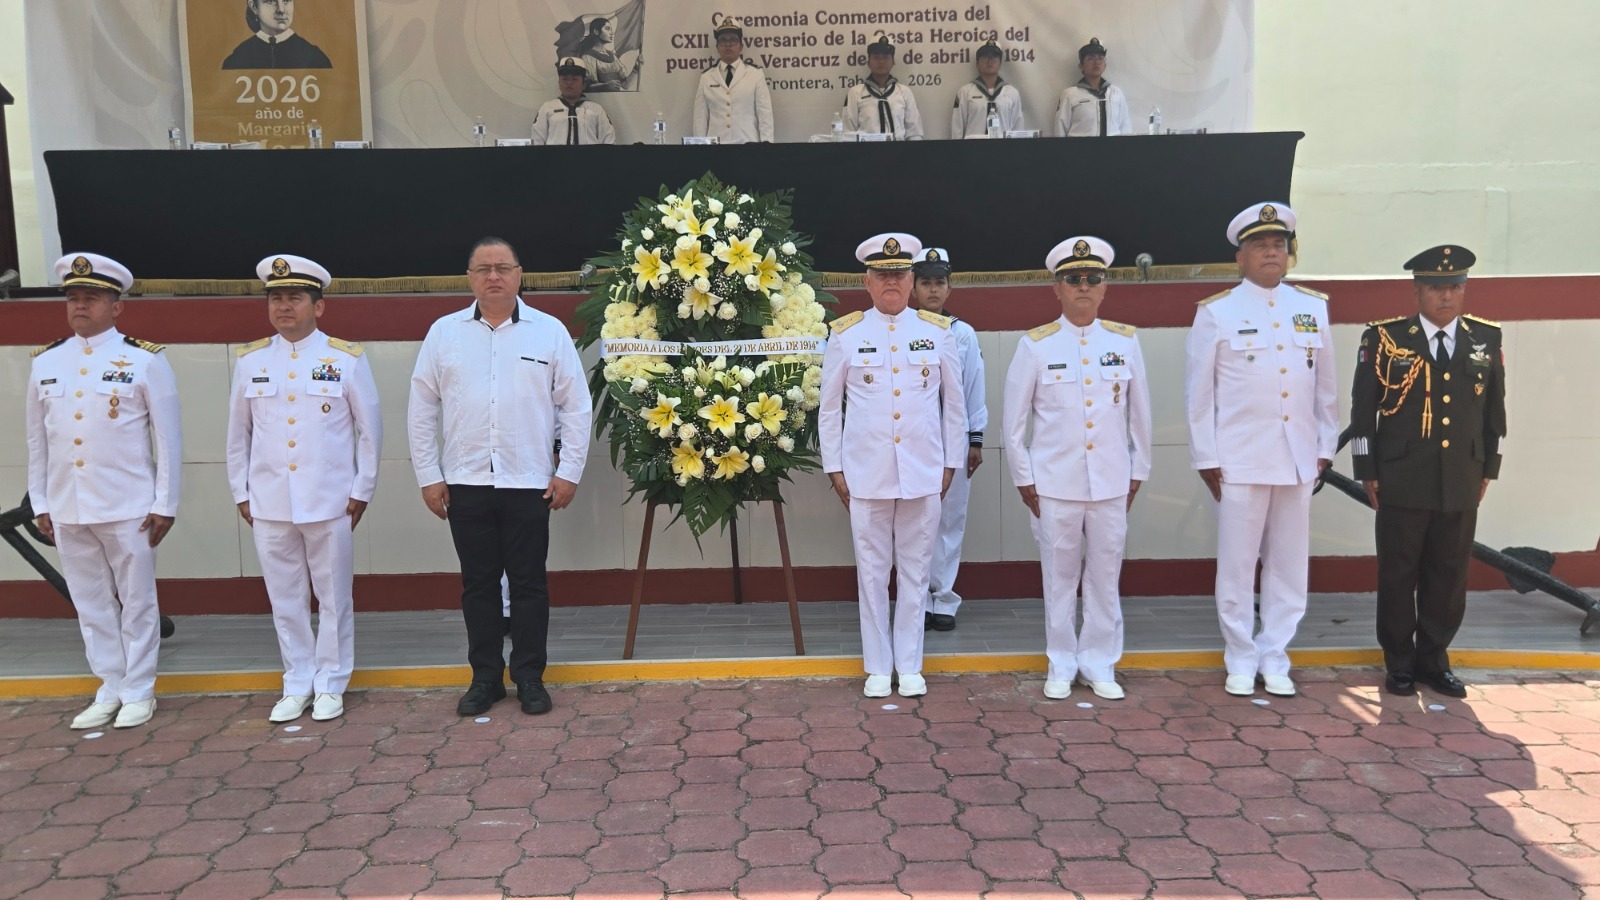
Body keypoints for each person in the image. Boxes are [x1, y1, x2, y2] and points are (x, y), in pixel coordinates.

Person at [407, 237, 592, 716]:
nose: (493, 276)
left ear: (519, 274)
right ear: (469, 278)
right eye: (483, 268)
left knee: (529, 584)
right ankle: (485, 678)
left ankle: (529, 677)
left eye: (503, 267)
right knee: (478, 585)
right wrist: (429, 475)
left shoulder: (548, 332)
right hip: (465, 481)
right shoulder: (444, 333)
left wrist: (569, 471)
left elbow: (575, 406)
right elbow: (422, 408)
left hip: (528, 481)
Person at [1186, 202, 1338, 698]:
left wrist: (1325, 445)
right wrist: (1207, 457)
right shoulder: (1217, 312)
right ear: (1241, 257)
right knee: (1237, 564)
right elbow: (1199, 395)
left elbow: (1325, 387)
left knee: (1289, 564)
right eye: (1260, 246)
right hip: (1240, 458)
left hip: (1298, 457)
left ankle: (1275, 655)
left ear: (1289, 253)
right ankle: (1239, 655)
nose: (1271, 252)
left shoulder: (1312, 308)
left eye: (1278, 245)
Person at [26, 253, 182, 730]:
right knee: (90, 603)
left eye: (91, 298)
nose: (80, 305)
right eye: (73, 298)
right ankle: (109, 685)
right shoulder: (47, 361)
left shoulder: (144, 359)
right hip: (68, 503)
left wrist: (165, 503)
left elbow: (168, 440)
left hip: (128, 503)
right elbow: (37, 440)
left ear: (117, 306)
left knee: (137, 602)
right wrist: (41, 501)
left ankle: (139, 689)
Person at [227, 255, 381, 723]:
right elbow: (238, 434)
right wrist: (241, 492)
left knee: (334, 597)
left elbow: (369, 431)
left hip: (329, 499)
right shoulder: (251, 360)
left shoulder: (345, 358)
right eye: (276, 298)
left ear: (319, 306)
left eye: (294, 297)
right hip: (269, 500)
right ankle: (296, 681)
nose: (283, 306)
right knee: (285, 600)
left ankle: (331, 681)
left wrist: (362, 489)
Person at [1350, 245, 1505, 699]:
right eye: (1436, 287)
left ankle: (1434, 661)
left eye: (1454, 286)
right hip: (1401, 475)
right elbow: (1363, 411)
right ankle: (1399, 663)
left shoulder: (1485, 338)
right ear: (1417, 291)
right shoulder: (1384, 338)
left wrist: (1489, 467)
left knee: (1449, 574)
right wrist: (1366, 468)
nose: (1446, 296)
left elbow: (1494, 412)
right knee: (1399, 574)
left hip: (1461, 475)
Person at [820, 233, 966, 698]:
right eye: (881, 274)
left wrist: (951, 463)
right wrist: (834, 467)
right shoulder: (846, 334)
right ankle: (879, 667)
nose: (891, 282)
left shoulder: (937, 332)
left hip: (924, 471)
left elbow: (955, 406)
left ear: (911, 280)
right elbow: (829, 408)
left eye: (900, 274)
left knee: (917, 573)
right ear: (867, 281)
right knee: (871, 573)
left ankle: (911, 664)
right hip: (866, 473)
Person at [1005, 237, 1151, 701]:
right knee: (1059, 578)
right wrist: (1024, 477)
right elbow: (1014, 423)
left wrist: (1137, 471)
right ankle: (1061, 662)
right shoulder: (1035, 345)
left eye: (1092, 278)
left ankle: (1099, 662)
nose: (1083, 286)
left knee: (1105, 577)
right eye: (1073, 279)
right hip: (1054, 483)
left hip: (1111, 480)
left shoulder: (1124, 342)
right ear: (1058, 288)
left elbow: (1140, 415)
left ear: (1105, 287)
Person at [910, 247, 986, 632]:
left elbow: (974, 387)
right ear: (913, 288)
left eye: (940, 282)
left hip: (953, 439)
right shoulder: (904, 331)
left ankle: (943, 599)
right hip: (914, 440)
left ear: (949, 288)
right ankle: (918, 600)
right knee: (915, 521)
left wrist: (976, 439)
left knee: (950, 520)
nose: (933, 289)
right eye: (926, 282)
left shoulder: (962, 334)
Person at [691, 17, 775, 144]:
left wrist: (767, 147)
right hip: (716, 148)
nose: (728, 45)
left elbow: (765, 115)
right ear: (717, 47)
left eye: (733, 40)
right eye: (723, 40)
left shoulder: (755, 74)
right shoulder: (706, 77)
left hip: (748, 146)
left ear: (741, 46)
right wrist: (700, 148)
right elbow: (700, 119)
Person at [842, 34, 923, 140]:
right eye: (876, 57)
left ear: (893, 62)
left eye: (886, 57)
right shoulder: (855, 93)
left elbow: (914, 133)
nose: (881, 61)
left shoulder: (905, 92)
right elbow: (848, 133)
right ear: (868, 63)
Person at [222, 0, 332, 70]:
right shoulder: (237, 59)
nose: (281, 10)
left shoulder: (315, 58)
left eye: (287, 1)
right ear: (254, 7)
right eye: (271, 1)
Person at [1054, 38, 1130, 137]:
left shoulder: (1116, 93)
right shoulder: (1070, 94)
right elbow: (1060, 130)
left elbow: (1125, 128)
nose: (1096, 62)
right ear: (1081, 66)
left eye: (1100, 58)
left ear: (1105, 65)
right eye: (1090, 58)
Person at [531, 58, 617, 146]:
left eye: (574, 79)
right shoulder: (547, 108)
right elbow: (537, 142)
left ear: (584, 84)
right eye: (565, 79)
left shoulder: (596, 110)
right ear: (559, 83)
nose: (569, 83)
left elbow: (608, 142)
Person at [951, 41, 1025, 137]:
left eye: (994, 57)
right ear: (977, 64)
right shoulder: (964, 92)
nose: (990, 61)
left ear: (1000, 64)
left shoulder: (1012, 93)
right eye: (985, 56)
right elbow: (957, 129)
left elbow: (1018, 129)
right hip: (973, 146)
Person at [577, 17, 640, 92]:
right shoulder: (588, 57)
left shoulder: (612, 56)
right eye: (607, 29)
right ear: (596, 31)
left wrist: (636, 68)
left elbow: (625, 85)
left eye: (611, 29)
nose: (612, 33)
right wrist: (605, 85)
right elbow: (585, 86)